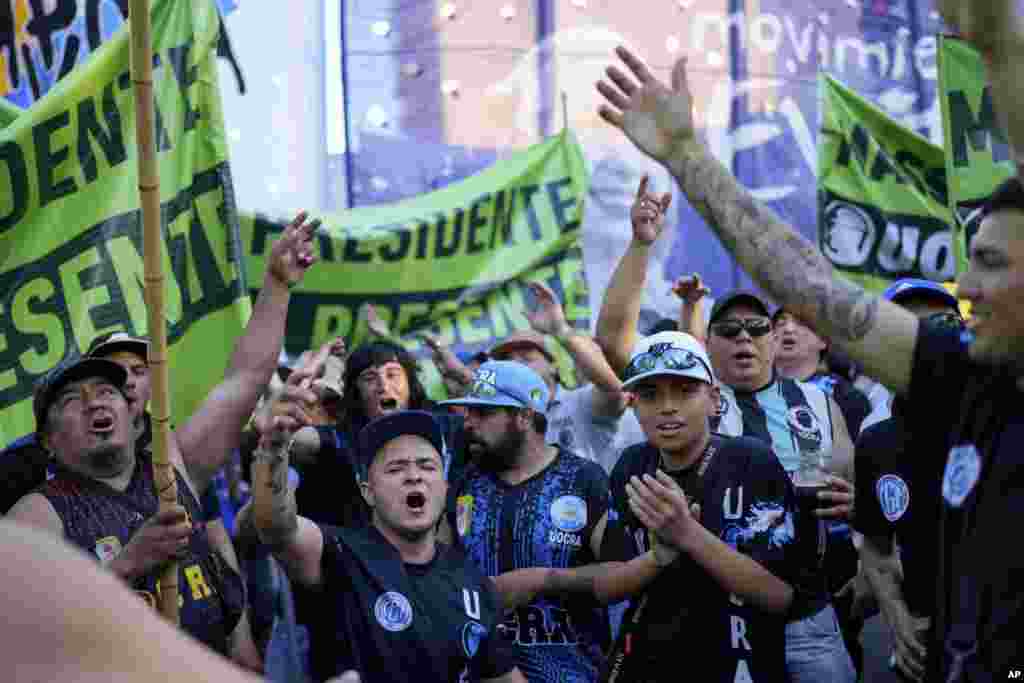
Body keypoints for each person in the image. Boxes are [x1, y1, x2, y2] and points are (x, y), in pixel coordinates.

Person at [593, 9, 1023, 675]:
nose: (966, 281)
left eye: (992, 263)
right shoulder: (963, 376)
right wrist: (686, 155)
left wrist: (996, 44)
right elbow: (804, 279)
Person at [6, 212, 317, 660]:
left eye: (108, 391)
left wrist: (276, 285)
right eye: (74, 400)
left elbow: (245, 380)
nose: (96, 402)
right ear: (48, 442)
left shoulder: (172, 465)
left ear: (132, 411)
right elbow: (22, 642)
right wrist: (128, 564)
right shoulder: (36, 517)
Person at [595, 176, 857, 682]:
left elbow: (855, 489)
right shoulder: (694, 397)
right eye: (728, 330)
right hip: (713, 613)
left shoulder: (820, 402)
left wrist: (856, 506)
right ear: (708, 346)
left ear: (776, 337)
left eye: (757, 328)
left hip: (808, 612)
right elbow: (614, 342)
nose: (744, 338)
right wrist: (641, 244)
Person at [239, 407, 527, 683]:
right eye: (395, 469)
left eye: (427, 466)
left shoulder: (474, 585)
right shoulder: (339, 553)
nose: (414, 476)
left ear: (444, 486)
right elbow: (277, 526)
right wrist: (272, 454)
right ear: (368, 492)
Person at [599, 330, 810, 682]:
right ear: (633, 405)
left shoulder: (750, 460)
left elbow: (780, 596)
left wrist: (686, 533)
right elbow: (608, 587)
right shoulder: (631, 466)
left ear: (713, 399)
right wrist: (656, 558)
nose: (667, 406)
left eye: (685, 390)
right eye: (650, 394)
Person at [440, 360, 612, 682]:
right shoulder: (464, 484)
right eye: (468, 412)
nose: (468, 423)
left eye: (483, 413)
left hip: (573, 672)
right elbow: (434, 573)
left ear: (524, 417)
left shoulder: (583, 479)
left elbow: (621, 572)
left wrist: (541, 580)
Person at [853, 278, 966, 682]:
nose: (928, 344)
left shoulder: (1005, 421)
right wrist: (899, 621)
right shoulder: (875, 442)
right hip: (925, 650)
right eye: (907, 330)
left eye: (944, 325)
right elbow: (875, 545)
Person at [489, 281, 637, 474]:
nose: (518, 367)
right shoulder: (503, 422)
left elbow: (614, 392)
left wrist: (560, 330)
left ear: (554, 366)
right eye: (509, 362)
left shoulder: (580, 402)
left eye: (527, 358)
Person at [773, 308, 872, 437]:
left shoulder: (846, 398)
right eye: (780, 324)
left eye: (802, 323)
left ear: (823, 340)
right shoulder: (750, 390)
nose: (788, 329)